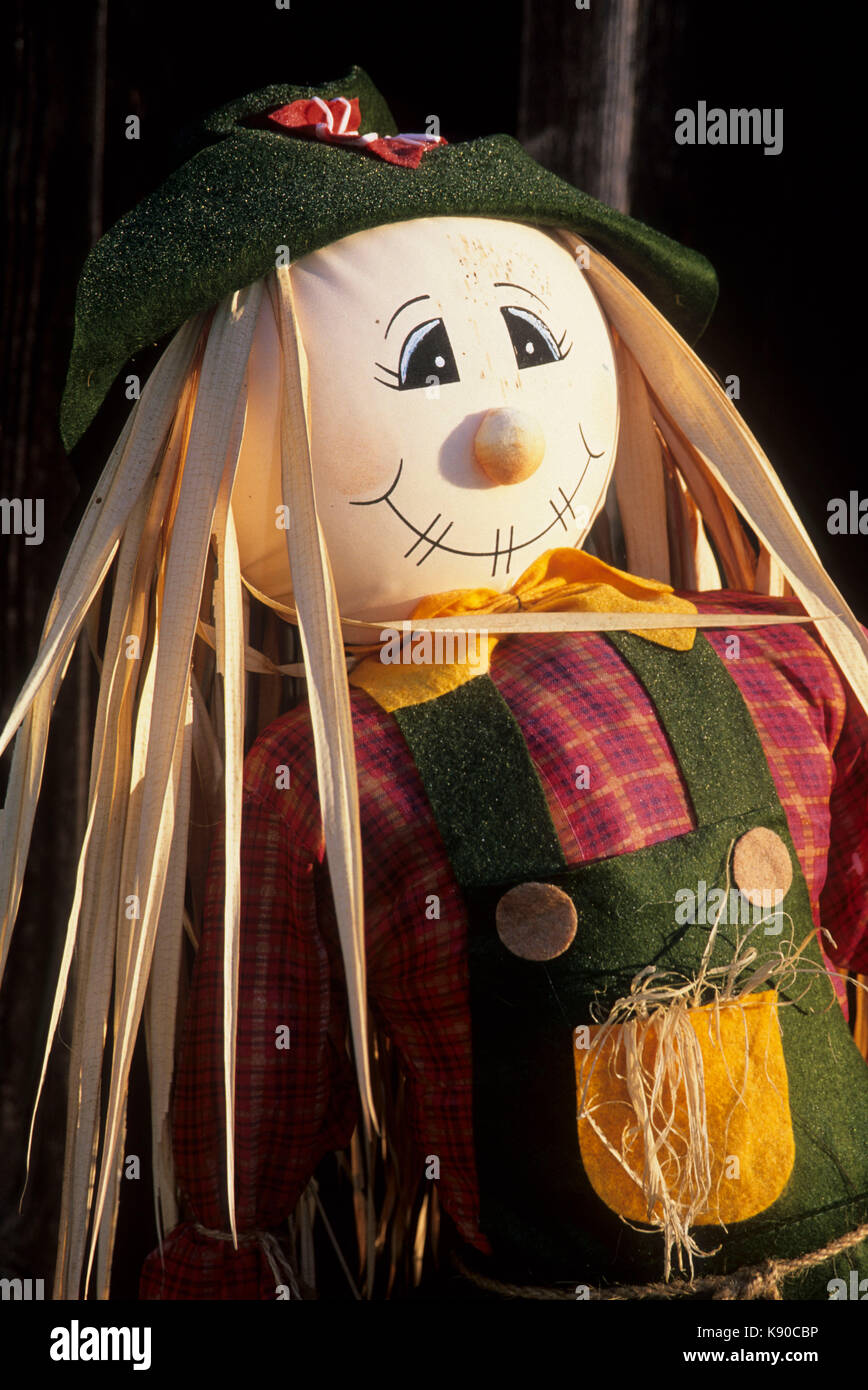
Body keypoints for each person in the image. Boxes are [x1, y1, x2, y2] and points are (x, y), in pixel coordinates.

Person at [1, 69, 866, 1301]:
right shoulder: (318, 771)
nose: (505, 434)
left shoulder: (780, 649)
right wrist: (224, 1249)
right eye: (415, 366)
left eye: (526, 344)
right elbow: (261, 1077)